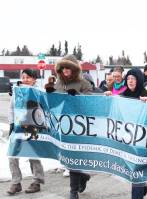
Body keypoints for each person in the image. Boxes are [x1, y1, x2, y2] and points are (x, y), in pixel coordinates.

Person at [46, 55, 92, 199]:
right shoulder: (58, 83)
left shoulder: (84, 83)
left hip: (79, 126)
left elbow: (91, 102)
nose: (66, 70)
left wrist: (77, 95)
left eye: (69, 67)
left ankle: (73, 191)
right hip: (62, 125)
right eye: (63, 67)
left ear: (74, 69)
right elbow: (52, 105)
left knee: (73, 156)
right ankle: (82, 176)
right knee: (68, 157)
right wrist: (50, 94)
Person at [120, 68, 147, 199]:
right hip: (128, 138)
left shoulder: (146, 94)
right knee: (134, 171)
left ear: (139, 80)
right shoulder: (123, 95)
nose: (130, 81)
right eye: (128, 79)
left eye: (133, 79)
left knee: (137, 170)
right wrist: (109, 98)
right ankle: (142, 185)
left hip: (143, 139)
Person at [7, 69, 45, 195]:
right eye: (23, 77)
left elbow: (44, 109)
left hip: (32, 127)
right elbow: (11, 109)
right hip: (18, 126)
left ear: (34, 79)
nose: (25, 80)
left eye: (28, 77)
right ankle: (16, 182)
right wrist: (12, 123)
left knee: (33, 155)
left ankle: (37, 181)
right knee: (12, 155)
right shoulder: (17, 91)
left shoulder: (39, 92)